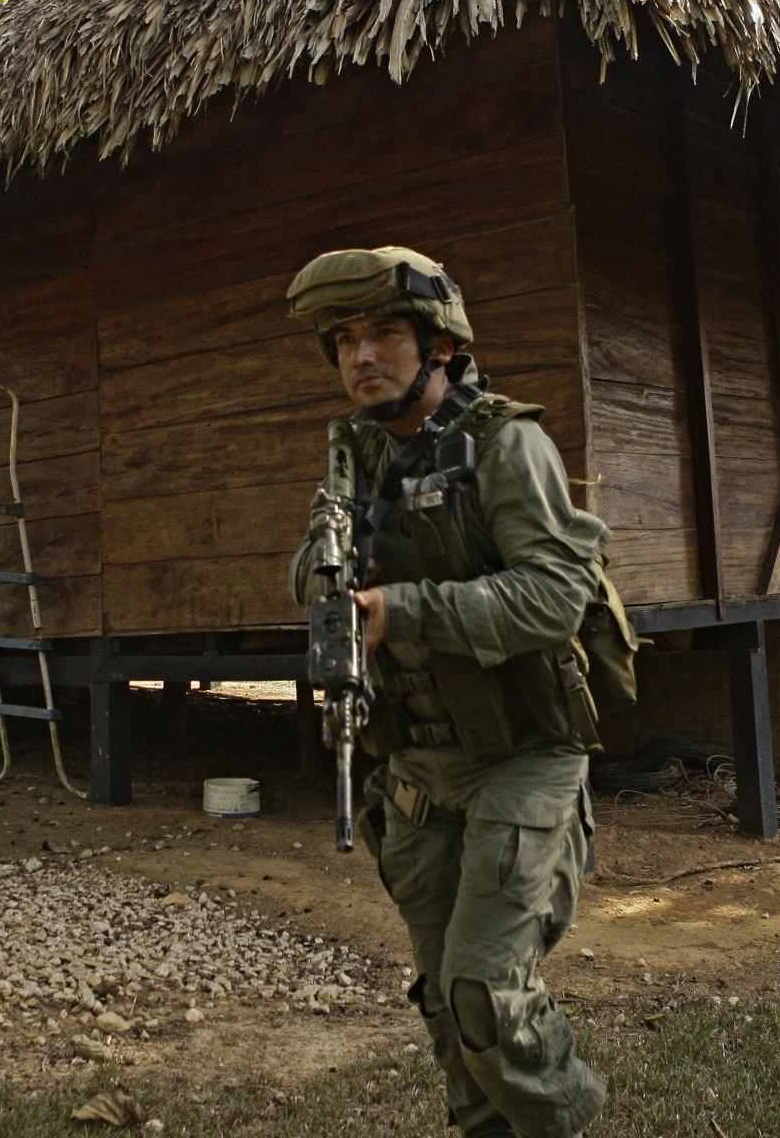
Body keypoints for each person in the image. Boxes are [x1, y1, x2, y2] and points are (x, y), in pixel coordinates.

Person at [287, 247, 612, 1138]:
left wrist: (405, 611)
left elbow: (557, 595)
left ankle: (566, 1118)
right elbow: (315, 584)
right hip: (421, 767)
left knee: (485, 997)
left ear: (438, 344)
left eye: (386, 332)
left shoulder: (507, 445)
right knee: (445, 1005)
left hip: (523, 756)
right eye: (344, 339)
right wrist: (323, 579)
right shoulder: (356, 463)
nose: (362, 356)